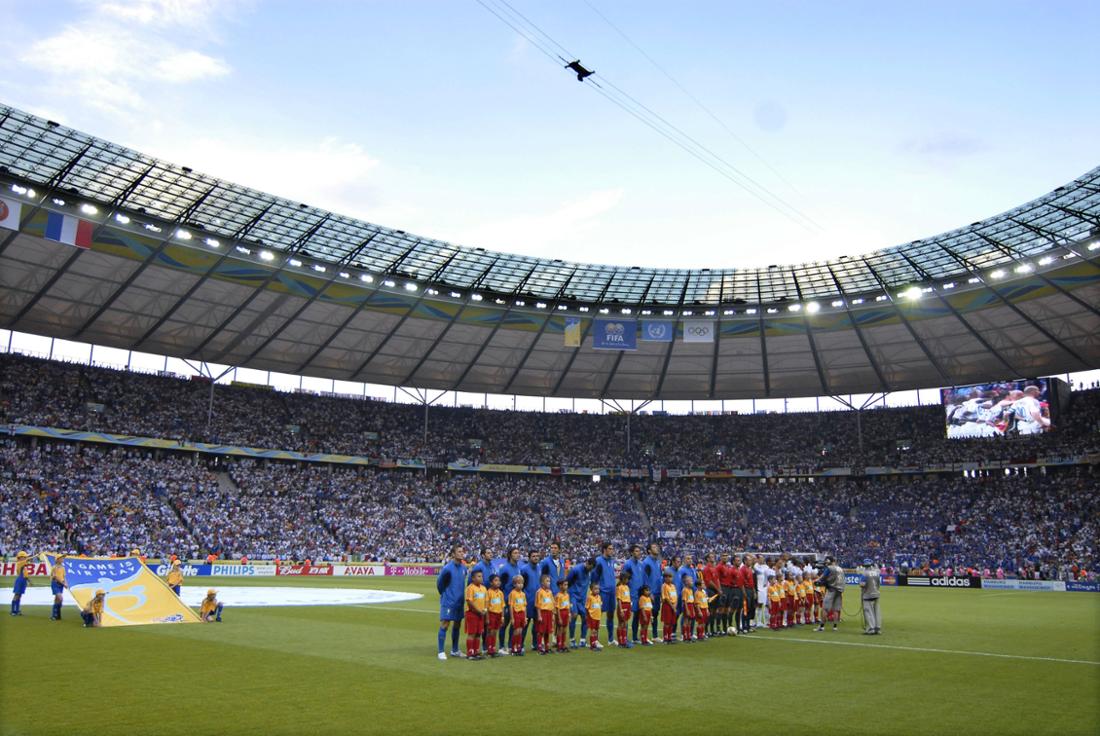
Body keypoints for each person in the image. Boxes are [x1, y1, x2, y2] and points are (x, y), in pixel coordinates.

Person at [436, 544, 467, 660]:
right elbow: (439, 584)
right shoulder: (447, 568)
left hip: (459, 602)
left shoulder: (464, 568)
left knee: (457, 625)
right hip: (449, 601)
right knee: (445, 624)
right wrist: (445, 596)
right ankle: (441, 651)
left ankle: (455, 650)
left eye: (462, 551)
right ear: (453, 554)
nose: (461, 553)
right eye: (459, 551)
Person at [498, 547, 523, 651]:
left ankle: (510, 645)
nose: (517, 555)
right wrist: (504, 598)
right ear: (510, 555)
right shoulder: (505, 568)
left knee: (514, 625)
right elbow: (500, 584)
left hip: (516, 601)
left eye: (518, 553)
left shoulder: (518, 567)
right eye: (515, 553)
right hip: (507, 600)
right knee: (504, 624)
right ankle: (501, 647)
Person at [566, 557, 595, 648]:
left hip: (582, 598)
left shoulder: (589, 572)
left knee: (586, 617)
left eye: (592, 568)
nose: (590, 569)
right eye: (590, 567)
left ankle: (582, 640)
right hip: (573, 596)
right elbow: (567, 582)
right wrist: (568, 596)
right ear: (587, 563)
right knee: (574, 615)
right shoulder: (575, 569)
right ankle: (572, 640)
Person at [592, 542, 617, 645]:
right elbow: (594, 577)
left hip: (612, 592)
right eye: (610, 549)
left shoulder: (612, 560)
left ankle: (610, 639)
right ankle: (595, 639)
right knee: (598, 615)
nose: (612, 550)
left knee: (611, 615)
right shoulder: (598, 561)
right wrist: (596, 591)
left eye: (612, 549)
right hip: (602, 592)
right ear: (604, 550)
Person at [815, 556, 845, 632]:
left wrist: (817, 581)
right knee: (836, 609)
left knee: (825, 608)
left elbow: (822, 578)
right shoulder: (840, 569)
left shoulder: (829, 568)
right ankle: (835, 627)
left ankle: (821, 627)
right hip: (840, 590)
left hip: (831, 589)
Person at [520, 549, 543, 651]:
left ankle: (535, 644)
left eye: (537, 556)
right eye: (533, 556)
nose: (536, 558)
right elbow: (521, 585)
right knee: (525, 623)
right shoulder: (524, 569)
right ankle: (521, 644)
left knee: (537, 624)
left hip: (538, 600)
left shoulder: (539, 568)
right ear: (529, 558)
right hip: (528, 600)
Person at [641, 542, 664, 641]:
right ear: (649, 550)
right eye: (654, 547)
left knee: (655, 613)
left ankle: (654, 636)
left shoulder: (658, 562)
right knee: (646, 614)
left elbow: (659, 577)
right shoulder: (646, 562)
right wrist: (649, 593)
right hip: (650, 593)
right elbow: (645, 578)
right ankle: (643, 636)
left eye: (657, 547)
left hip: (658, 592)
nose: (657, 548)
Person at [623, 545, 645, 643]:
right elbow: (624, 579)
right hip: (630, 594)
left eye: (639, 551)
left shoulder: (641, 564)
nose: (639, 553)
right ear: (631, 553)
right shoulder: (628, 564)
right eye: (636, 551)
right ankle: (624, 637)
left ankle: (635, 638)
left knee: (637, 615)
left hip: (639, 594)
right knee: (627, 616)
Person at [464, 569, 487, 660]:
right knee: (472, 633)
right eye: (479, 576)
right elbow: (470, 601)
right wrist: (478, 610)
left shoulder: (483, 588)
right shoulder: (470, 588)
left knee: (478, 633)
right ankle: (470, 653)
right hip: (472, 613)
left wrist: (484, 610)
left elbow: (485, 600)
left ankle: (476, 651)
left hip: (480, 614)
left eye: (481, 576)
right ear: (473, 578)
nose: (481, 578)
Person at [701, 552, 722, 636]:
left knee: (714, 611)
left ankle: (712, 630)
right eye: (711, 557)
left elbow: (717, 580)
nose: (713, 557)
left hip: (716, 591)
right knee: (709, 611)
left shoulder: (714, 568)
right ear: (707, 559)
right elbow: (709, 582)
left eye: (713, 556)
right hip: (710, 591)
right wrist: (718, 589)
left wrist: (719, 589)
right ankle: (706, 630)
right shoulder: (706, 569)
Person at [860, 559, 882, 635]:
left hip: (867, 595)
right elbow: (879, 584)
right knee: (877, 612)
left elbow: (862, 584)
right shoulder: (876, 573)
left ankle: (870, 629)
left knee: (868, 612)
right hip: (876, 593)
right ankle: (878, 628)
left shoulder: (865, 573)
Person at [485, 574, 505, 657]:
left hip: (498, 614)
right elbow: (486, 606)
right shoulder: (488, 592)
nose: (498, 582)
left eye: (499, 580)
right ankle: (489, 649)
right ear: (491, 582)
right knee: (490, 631)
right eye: (495, 580)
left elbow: (502, 605)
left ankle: (493, 648)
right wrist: (487, 617)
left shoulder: (500, 593)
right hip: (491, 614)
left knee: (495, 631)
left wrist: (503, 616)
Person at [507, 575, 527, 656]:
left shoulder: (523, 594)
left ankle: (519, 646)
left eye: (522, 583)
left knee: (520, 631)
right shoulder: (513, 593)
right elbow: (511, 606)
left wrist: (525, 617)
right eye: (518, 583)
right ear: (514, 584)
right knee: (516, 631)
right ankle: (513, 647)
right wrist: (512, 618)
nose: (520, 585)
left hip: (522, 613)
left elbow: (525, 606)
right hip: (516, 613)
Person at [535, 574, 555, 655]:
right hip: (543, 613)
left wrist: (553, 614)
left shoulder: (550, 592)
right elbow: (538, 605)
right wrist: (539, 615)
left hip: (549, 613)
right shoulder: (539, 592)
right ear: (542, 583)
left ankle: (547, 647)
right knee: (541, 631)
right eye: (547, 581)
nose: (549, 583)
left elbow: (552, 603)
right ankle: (540, 647)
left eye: (549, 581)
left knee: (547, 631)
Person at [615, 572, 633, 648]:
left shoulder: (627, 587)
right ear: (623, 579)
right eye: (627, 579)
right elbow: (619, 599)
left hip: (627, 605)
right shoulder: (619, 587)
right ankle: (620, 642)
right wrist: (621, 609)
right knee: (621, 623)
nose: (628, 580)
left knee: (625, 623)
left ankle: (624, 641)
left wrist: (630, 607)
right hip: (622, 605)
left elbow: (628, 597)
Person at [584, 582, 603, 651]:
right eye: (595, 589)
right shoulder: (590, 598)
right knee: (593, 631)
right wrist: (587, 616)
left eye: (598, 589)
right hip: (592, 617)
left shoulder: (599, 597)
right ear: (591, 590)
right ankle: (592, 646)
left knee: (596, 631)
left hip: (597, 617)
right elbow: (587, 608)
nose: (597, 590)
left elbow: (599, 606)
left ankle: (595, 644)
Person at [10, 550, 30, 616]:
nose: (25, 558)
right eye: (24, 557)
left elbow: (26, 575)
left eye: (25, 557)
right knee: (17, 595)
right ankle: (13, 610)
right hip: (20, 580)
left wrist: (29, 581)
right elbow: (29, 560)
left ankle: (17, 610)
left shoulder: (23, 565)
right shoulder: (19, 563)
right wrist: (36, 555)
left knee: (19, 595)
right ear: (20, 557)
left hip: (23, 580)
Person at [553, 580, 571, 653]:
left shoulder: (567, 595)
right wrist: (559, 618)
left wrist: (569, 615)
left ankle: (563, 645)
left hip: (566, 613)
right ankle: (559, 645)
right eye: (565, 585)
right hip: (561, 613)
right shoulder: (558, 596)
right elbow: (557, 608)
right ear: (560, 586)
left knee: (565, 629)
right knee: (559, 629)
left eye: (567, 585)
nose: (566, 586)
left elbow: (568, 606)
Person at [660, 570, 678, 643]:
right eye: (667, 577)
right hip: (667, 605)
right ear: (664, 578)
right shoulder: (664, 586)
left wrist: (675, 605)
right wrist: (672, 606)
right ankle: (665, 638)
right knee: (667, 622)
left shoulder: (673, 586)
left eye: (670, 577)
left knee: (671, 622)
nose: (669, 579)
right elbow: (666, 598)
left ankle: (669, 637)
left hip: (673, 605)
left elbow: (675, 596)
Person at [49, 554, 66, 620]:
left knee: (57, 599)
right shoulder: (54, 568)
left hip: (61, 584)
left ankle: (56, 615)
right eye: (61, 558)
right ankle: (55, 614)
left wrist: (65, 583)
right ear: (57, 560)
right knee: (60, 598)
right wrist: (63, 584)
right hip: (55, 584)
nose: (62, 559)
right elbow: (55, 577)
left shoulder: (63, 568)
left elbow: (64, 577)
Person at [681, 575, 697, 642]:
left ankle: (689, 635)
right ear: (686, 582)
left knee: (690, 622)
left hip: (691, 606)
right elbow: (684, 601)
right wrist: (687, 609)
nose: (692, 582)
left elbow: (692, 600)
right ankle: (685, 636)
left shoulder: (691, 590)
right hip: (687, 606)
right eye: (691, 581)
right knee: (686, 621)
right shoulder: (685, 590)